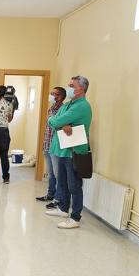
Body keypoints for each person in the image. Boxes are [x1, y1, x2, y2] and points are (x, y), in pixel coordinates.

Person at [45, 76, 92, 229]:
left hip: (74, 152)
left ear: (81, 89)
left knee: (74, 186)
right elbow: (52, 119)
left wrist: (58, 123)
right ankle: (63, 209)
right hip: (63, 150)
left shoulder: (82, 106)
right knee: (63, 183)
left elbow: (56, 121)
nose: (69, 87)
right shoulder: (68, 105)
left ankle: (75, 218)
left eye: (72, 85)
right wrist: (59, 123)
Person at [36, 87, 66, 207]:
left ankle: (58, 200)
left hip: (55, 147)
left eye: (54, 94)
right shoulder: (51, 108)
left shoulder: (62, 109)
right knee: (51, 173)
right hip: (47, 145)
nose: (52, 96)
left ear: (60, 97)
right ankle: (50, 194)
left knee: (58, 174)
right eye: (51, 93)